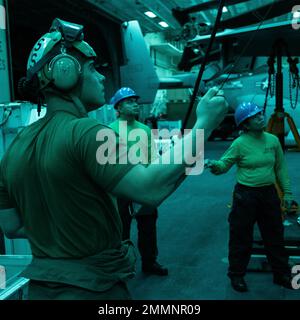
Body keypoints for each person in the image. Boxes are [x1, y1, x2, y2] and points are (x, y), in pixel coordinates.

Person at [0, 18, 228, 300]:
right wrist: (205, 123)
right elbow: (151, 189)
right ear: (65, 72)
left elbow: (11, 227)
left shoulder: (13, 149)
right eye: (92, 68)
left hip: (41, 290)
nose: (100, 77)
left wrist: (62, 235)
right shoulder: (87, 132)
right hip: (93, 289)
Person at [206, 102, 294, 292]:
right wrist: (214, 165)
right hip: (245, 196)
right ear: (245, 124)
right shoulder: (239, 143)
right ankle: (237, 276)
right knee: (240, 238)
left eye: (260, 114)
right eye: (255, 116)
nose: (261, 117)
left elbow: (281, 169)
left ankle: (281, 274)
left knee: (275, 236)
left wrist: (287, 192)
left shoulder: (272, 141)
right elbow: (224, 164)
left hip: (269, 194)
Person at [109, 88, 168, 276]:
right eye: (129, 101)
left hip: (143, 185)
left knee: (148, 226)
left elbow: (152, 158)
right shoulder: (110, 130)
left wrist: (153, 181)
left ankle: (150, 262)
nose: (135, 104)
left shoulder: (144, 130)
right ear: (118, 106)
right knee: (120, 229)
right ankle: (121, 265)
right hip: (120, 188)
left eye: (136, 100)